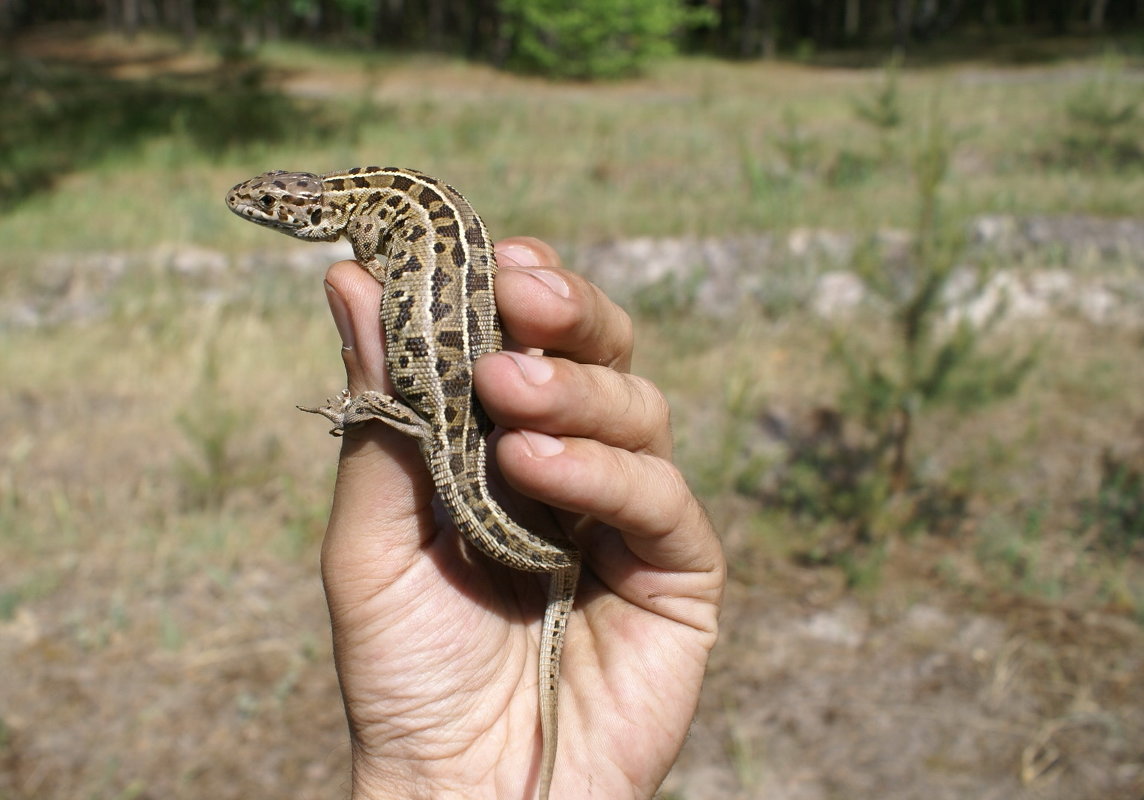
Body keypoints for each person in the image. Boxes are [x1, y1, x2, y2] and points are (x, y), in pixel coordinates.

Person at [316, 236, 725, 799]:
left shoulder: (380, 231)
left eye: (268, 205)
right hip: (448, 407)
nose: (257, 211)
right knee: (466, 423)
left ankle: (558, 556)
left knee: (471, 420)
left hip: (442, 404)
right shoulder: (388, 226)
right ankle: (558, 558)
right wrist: (434, 777)